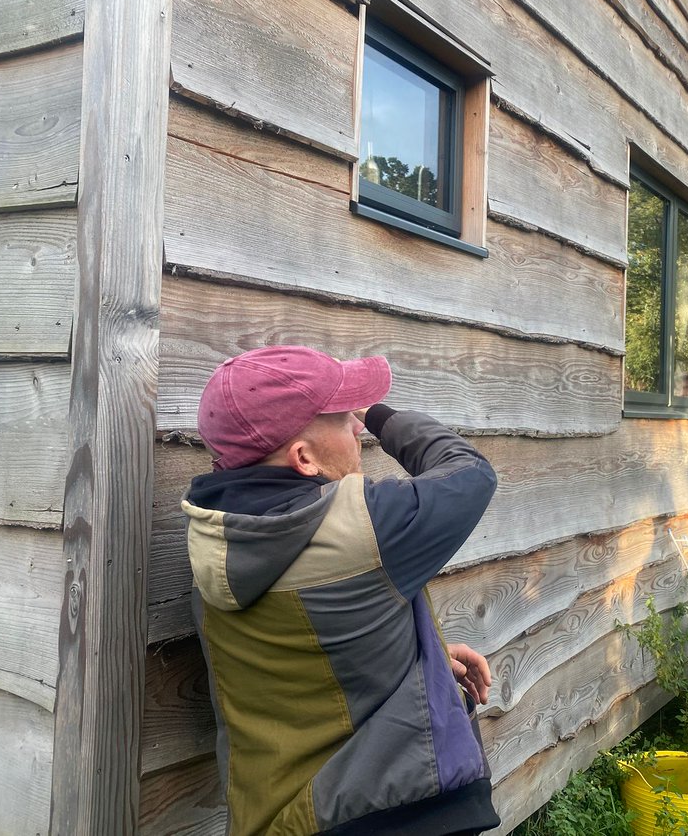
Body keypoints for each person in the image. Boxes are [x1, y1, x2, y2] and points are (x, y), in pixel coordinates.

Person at [183, 345, 500, 836]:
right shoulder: (363, 522)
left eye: (357, 415)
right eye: (341, 416)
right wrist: (379, 413)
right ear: (304, 458)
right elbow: (467, 471)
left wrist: (428, 656)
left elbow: (305, 668)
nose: (355, 427)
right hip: (391, 816)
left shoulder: (215, 540)